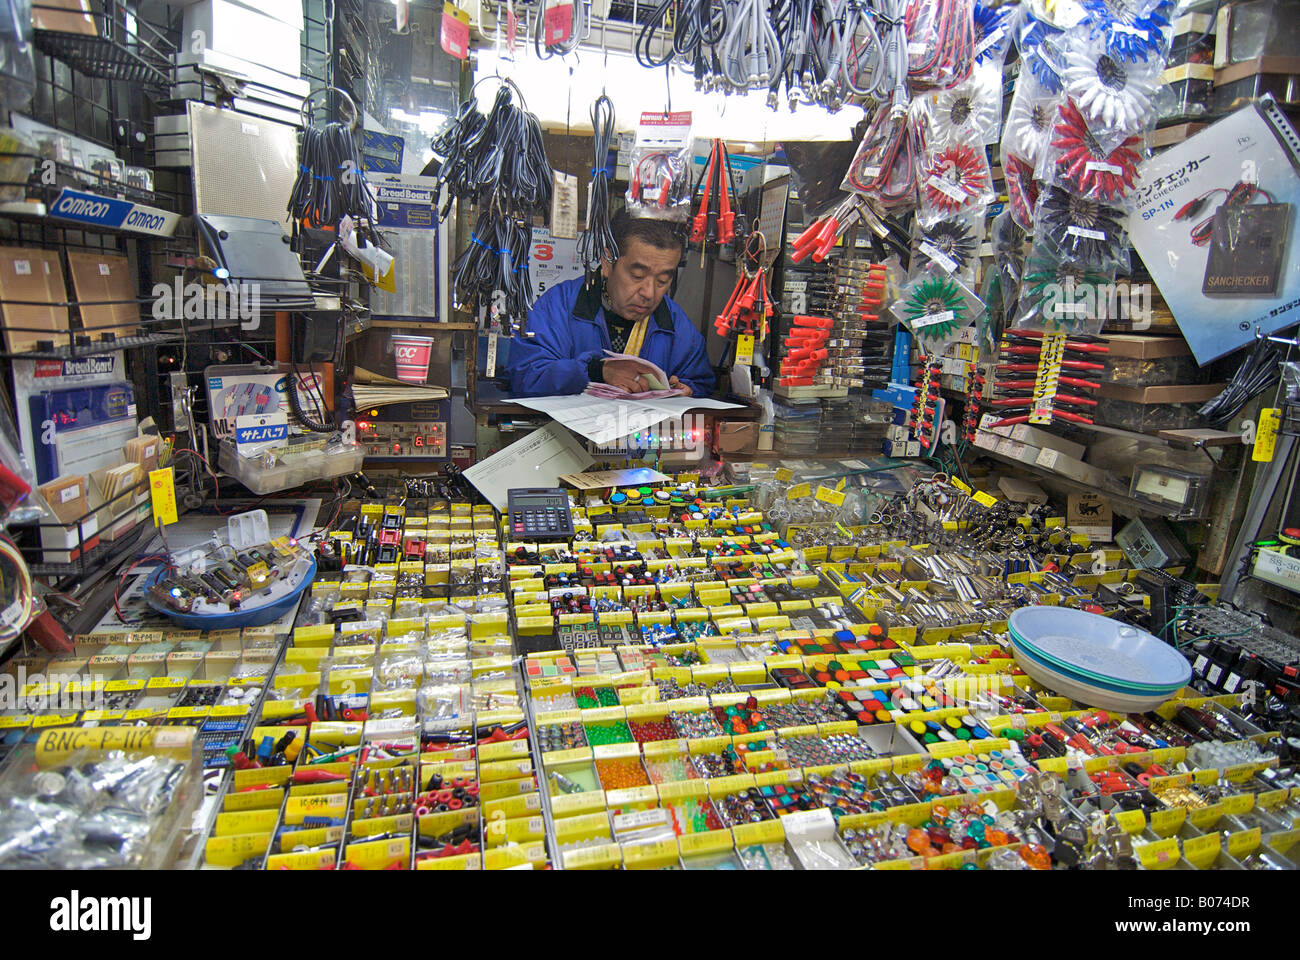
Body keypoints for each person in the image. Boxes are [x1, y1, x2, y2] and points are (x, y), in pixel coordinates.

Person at [508, 208, 715, 397]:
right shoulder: (559, 306)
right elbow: (525, 376)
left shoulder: (675, 324)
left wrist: (687, 391)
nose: (649, 293)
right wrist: (596, 371)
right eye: (637, 275)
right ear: (607, 262)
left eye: (663, 280)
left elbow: (701, 383)